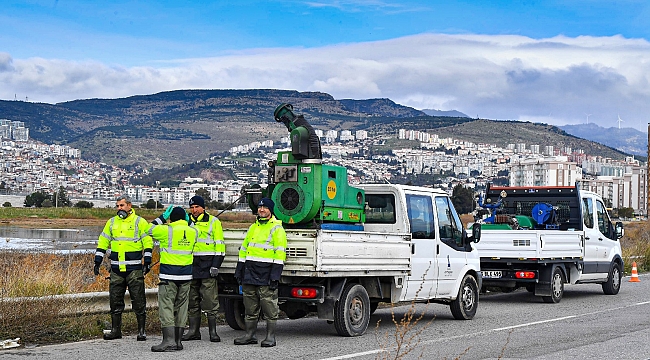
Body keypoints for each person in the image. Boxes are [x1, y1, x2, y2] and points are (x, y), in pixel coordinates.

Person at [94, 195, 153, 341]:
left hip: (134, 269)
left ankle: (141, 331)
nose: (119, 208)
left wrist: (147, 259)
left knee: (138, 300)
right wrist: (97, 260)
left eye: (121, 205)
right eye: (117, 206)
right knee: (115, 300)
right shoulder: (112, 222)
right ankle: (115, 331)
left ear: (129, 206)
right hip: (116, 270)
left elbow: (147, 240)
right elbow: (103, 241)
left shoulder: (140, 221)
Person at [234, 198, 286, 348]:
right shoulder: (253, 227)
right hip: (249, 272)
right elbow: (244, 249)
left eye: (265, 207)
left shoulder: (277, 229)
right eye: (260, 207)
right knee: (250, 307)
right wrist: (239, 270)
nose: (261, 209)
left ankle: (271, 337)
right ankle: (250, 335)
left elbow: (280, 254)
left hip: (266, 273)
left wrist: (275, 276)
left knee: (269, 307)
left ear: (271, 210)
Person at [148, 207, 198, 352]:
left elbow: (148, 229)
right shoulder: (193, 231)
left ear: (171, 218)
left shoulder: (166, 230)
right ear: (184, 218)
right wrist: (189, 222)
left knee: (166, 307)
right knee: (182, 307)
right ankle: (178, 341)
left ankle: (168, 341)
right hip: (186, 275)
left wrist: (162, 218)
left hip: (169, 275)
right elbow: (195, 229)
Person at [181, 195, 225, 342]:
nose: (194, 210)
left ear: (203, 207)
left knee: (210, 301)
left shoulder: (213, 222)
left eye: (197, 207)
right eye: (192, 207)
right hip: (190, 265)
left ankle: (213, 332)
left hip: (207, 265)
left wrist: (216, 265)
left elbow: (219, 244)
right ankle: (194, 331)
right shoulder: (185, 222)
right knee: (192, 300)